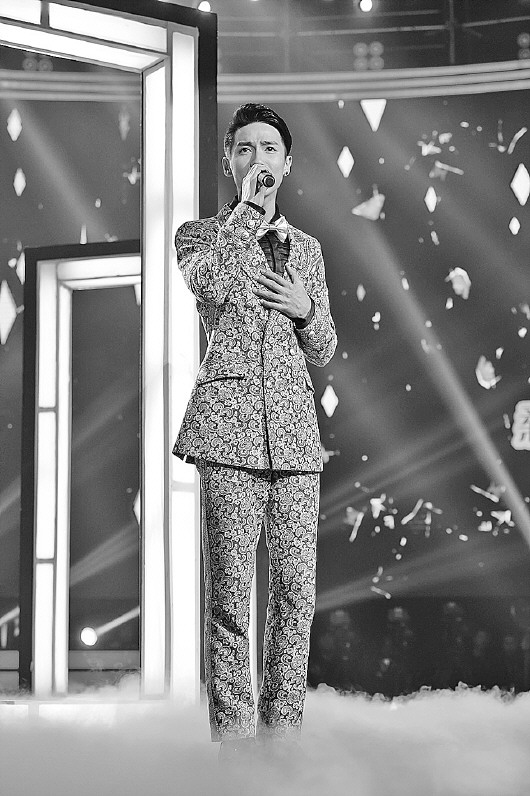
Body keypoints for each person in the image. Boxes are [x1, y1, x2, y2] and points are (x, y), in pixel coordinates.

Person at [172, 103, 337, 761]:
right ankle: (237, 751)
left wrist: (305, 310)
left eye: (269, 149)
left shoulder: (309, 251)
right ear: (230, 161)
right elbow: (210, 290)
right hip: (228, 437)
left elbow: (323, 346)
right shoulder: (200, 237)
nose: (258, 159)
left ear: (287, 163)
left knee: (296, 599)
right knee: (229, 601)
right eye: (245, 148)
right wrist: (245, 212)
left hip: (295, 441)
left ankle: (282, 742)